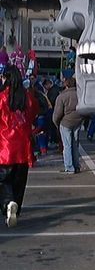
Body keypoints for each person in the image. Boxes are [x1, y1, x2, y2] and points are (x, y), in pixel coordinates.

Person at [0, 64, 39, 227]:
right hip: (23, 146)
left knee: (4, 180)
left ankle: (8, 204)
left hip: (5, 146)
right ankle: (15, 206)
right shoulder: (27, 97)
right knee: (19, 181)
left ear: (6, 78)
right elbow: (34, 112)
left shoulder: (2, 97)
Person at [52, 76, 84, 174]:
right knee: (75, 145)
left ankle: (69, 167)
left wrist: (56, 123)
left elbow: (57, 114)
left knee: (67, 146)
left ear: (66, 85)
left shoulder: (62, 96)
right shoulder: (81, 95)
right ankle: (76, 166)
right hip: (78, 121)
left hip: (65, 122)